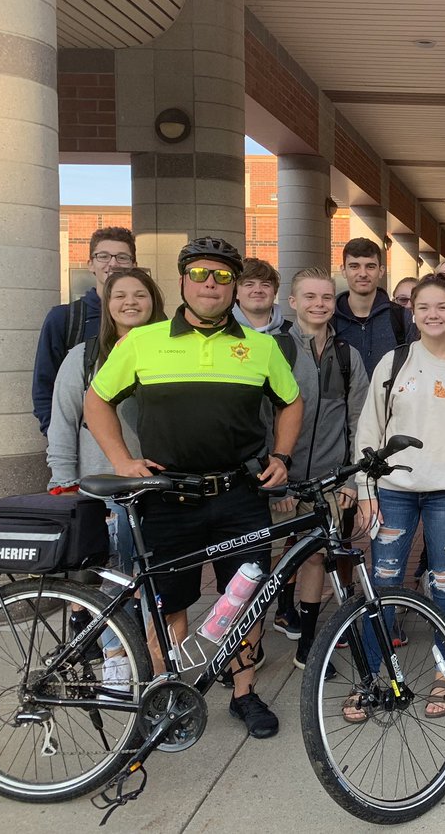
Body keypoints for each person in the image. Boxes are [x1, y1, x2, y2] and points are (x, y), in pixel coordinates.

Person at [84, 237, 302, 739]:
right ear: (181, 281)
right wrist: (122, 461)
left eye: (223, 277)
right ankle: (167, 695)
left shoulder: (261, 346)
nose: (211, 283)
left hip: (239, 494)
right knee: (169, 606)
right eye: (201, 274)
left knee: (245, 600)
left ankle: (244, 694)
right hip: (166, 496)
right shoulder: (142, 341)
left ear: (233, 287)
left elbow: (291, 403)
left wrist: (282, 456)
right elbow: (97, 402)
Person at [347, 272, 445, 722]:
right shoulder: (393, 363)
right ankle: (375, 677)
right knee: (385, 581)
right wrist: (366, 489)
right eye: (424, 307)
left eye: (442, 307)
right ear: (413, 311)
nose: (433, 314)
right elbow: (370, 428)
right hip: (394, 491)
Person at [46, 268, 167, 693]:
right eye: (120, 295)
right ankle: (116, 662)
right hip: (104, 490)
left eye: (140, 294)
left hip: (162, 489)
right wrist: (63, 484)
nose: (130, 302)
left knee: (155, 582)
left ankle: (154, 664)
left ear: (154, 300)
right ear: (106, 302)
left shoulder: (170, 351)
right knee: (114, 581)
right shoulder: (82, 358)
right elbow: (61, 424)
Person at [269, 268, 369, 670]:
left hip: (327, 480)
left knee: (315, 559)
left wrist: (350, 478)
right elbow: (260, 418)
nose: (319, 304)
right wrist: (275, 483)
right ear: (292, 302)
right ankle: (252, 641)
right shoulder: (273, 350)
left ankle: (308, 643)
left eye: (326, 297)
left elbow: (359, 420)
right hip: (277, 479)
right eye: (309, 297)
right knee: (267, 564)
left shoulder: (348, 356)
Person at [33, 226, 137, 434]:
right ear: (91, 264)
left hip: (143, 448)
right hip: (85, 450)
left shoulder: (152, 321)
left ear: (134, 265)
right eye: (103, 256)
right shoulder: (65, 319)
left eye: (122, 257)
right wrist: (58, 437)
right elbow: (44, 385)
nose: (113, 263)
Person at [333, 237, 413, 373]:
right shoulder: (330, 318)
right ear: (343, 270)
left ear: (381, 271)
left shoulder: (401, 318)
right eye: (354, 266)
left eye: (370, 266)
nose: (363, 274)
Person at [234, 257, 290, 334]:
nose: (258, 290)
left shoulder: (293, 334)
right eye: (249, 284)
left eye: (265, 285)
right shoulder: (221, 332)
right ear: (236, 293)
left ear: (274, 293)